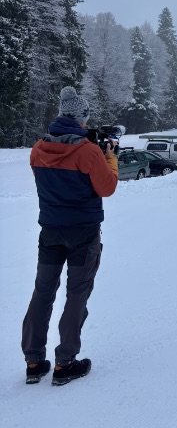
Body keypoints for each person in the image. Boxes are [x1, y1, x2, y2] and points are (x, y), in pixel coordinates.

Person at [22, 86, 118, 386]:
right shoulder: (88, 151)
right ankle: (65, 363)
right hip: (83, 233)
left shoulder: (38, 149)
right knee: (77, 293)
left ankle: (34, 361)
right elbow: (107, 188)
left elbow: (52, 179)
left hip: (50, 230)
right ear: (81, 119)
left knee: (42, 292)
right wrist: (110, 158)